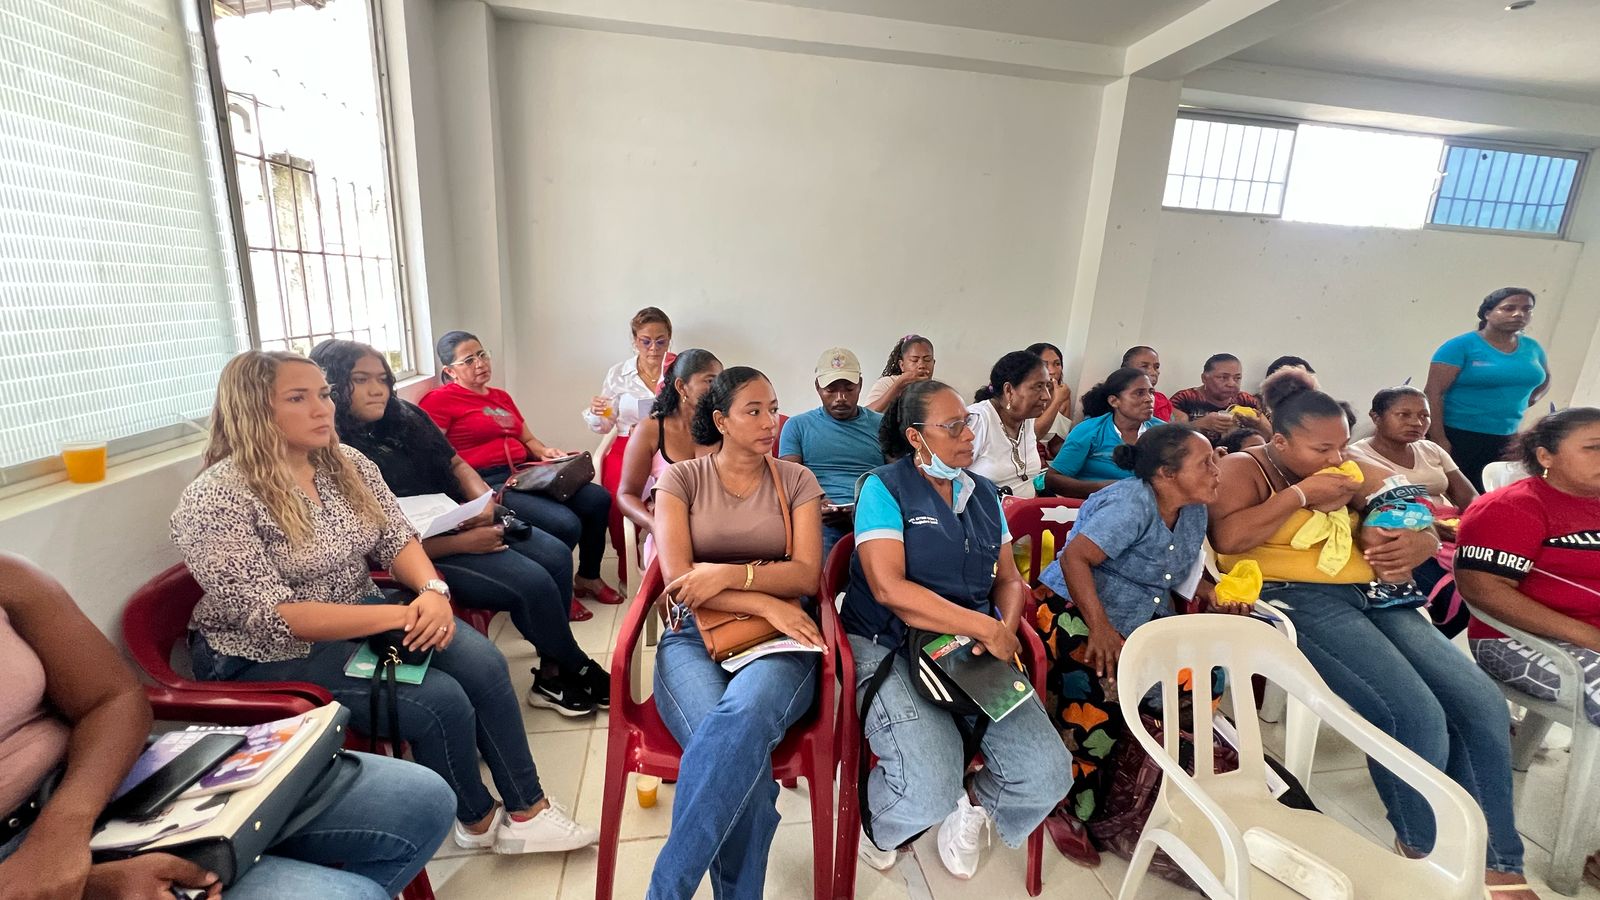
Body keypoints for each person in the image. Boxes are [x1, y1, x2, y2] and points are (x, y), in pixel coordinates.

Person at [173, 351, 598, 856]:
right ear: (253, 409)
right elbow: (277, 616)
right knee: (439, 699)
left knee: (482, 661)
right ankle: (477, 819)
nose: (322, 409)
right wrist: (402, 613)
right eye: (298, 398)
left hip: (362, 614)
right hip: (265, 653)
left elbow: (396, 538)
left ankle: (529, 812)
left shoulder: (346, 464)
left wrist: (433, 592)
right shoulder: (217, 498)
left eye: (323, 394)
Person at [1207, 370, 1534, 897]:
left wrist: (1421, 541)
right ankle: (1422, 845)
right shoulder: (1244, 468)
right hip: (1295, 597)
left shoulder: (1348, 467)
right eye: (1321, 449)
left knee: (1479, 701)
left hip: (1375, 591)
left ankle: (1498, 858)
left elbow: (1411, 508)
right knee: (1414, 712)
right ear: (1281, 442)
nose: (1337, 458)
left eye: (1341, 445)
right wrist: (1302, 495)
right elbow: (1228, 537)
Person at [0, 553, 455, 900]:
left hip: (95, 777)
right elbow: (277, 615)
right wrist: (87, 883)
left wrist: (64, 825)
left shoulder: (11, 575)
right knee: (350, 895)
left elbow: (114, 698)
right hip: (14, 852)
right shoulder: (215, 500)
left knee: (422, 799)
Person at [843, 379, 1071, 880]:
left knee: (1047, 774)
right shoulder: (884, 488)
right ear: (915, 437)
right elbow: (888, 588)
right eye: (952, 427)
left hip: (967, 647)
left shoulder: (984, 493)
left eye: (967, 422)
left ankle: (972, 805)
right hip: (888, 642)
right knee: (926, 787)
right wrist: (984, 628)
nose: (968, 434)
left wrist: (1003, 629)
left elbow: (1008, 579)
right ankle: (881, 829)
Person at [311, 339, 609, 715]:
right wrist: (465, 542)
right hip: (422, 551)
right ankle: (574, 664)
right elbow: (375, 546)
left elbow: (455, 463)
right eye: (360, 380)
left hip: (456, 518)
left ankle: (553, 672)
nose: (377, 389)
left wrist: (484, 503)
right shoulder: (332, 449)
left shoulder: (404, 415)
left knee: (555, 554)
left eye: (382, 378)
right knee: (532, 581)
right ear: (333, 385)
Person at [645, 367, 826, 899]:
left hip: (782, 638)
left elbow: (806, 575)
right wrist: (762, 597)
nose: (771, 421)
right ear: (721, 420)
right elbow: (680, 582)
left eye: (773, 408)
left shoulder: (797, 480)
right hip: (693, 636)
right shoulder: (681, 479)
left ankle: (664, 892)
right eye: (754, 411)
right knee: (738, 764)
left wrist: (725, 576)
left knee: (739, 723)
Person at [1031, 425, 1237, 866]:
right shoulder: (1131, 504)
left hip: (1143, 616)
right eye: (1205, 463)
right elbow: (1075, 558)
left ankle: (1142, 779)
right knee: (1103, 691)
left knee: (1203, 680)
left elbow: (1173, 571)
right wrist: (1101, 628)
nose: (1217, 470)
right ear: (1166, 473)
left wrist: (1215, 592)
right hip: (1076, 609)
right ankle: (1069, 805)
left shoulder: (1193, 509)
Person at [1457, 408, 1600, 891]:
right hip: (1513, 641)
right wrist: (1589, 638)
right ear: (1546, 456)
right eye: (1593, 448)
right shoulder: (1512, 507)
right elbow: (1484, 590)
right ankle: (1580, 855)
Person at [421, 330, 621, 607]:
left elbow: (527, 439)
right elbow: (434, 455)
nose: (480, 363)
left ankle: (588, 576)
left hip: (523, 473)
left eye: (482, 355)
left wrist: (545, 452)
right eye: (468, 360)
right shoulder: (439, 401)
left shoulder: (501, 397)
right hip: (487, 483)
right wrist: (469, 492)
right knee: (565, 523)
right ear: (449, 371)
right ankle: (556, 593)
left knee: (597, 498)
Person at [1426, 287, 1551, 492]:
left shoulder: (1532, 347)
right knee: (1457, 494)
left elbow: (1545, 379)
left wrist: (1530, 399)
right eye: (1509, 308)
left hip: (1507, 437)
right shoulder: (1460, 346)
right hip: (1459, 435)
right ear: (1487, 313)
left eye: (1526, 309)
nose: (1518, 314)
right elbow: (1433, 393)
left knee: (1492, 493)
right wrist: (1439, 439)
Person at [585, 307, 675, 585]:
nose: (653, 348)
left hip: (670, 444)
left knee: (678, 497)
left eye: (660, 341)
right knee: (617, 500)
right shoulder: (619, 374)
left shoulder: (678, 369)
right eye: (646, 341)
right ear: (635, 341)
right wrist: (599, 412)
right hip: (627, 445)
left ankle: (673, 562)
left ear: (669, 339)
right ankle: (629, 567)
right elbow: (606, 423)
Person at [615, 348, 723, 569]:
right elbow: (626, 494)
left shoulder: (723, 426)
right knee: (684, 582)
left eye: (721, 381)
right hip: (671, 531)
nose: (719, 390)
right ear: (682, 387)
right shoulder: (651, 430)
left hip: (719, 530)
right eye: (710, 381)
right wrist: (654, 524)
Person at [778, 347, 884, 560]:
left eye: (849, 389)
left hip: (875, 515)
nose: (841, 398)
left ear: (860, 384)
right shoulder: (798, 426)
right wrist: (814, 503)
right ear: (817, 387)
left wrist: (867, 507)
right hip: (819, 519)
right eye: (831, 390)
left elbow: (898, 475)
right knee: (819, 558)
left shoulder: (881, 425)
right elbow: (789, 479)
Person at [1044, 367, 1164, 499]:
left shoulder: (1164, 433)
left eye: (1151, 392)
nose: (1149, 399)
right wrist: (1101, 488)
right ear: (1114, 401)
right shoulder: (1090, 430)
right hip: (1093, 504)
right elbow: (1053, 479)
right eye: (1139, 393)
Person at [967, 350, 1051, 500]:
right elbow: (948, 479)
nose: (1047, 396)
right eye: (1038, 386)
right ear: (1009, 390)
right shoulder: (977, 420)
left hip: (1024, 509)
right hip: (986, 512)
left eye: (1047, 386)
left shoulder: (1027, 418)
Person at [1169, 353, 1263, 432]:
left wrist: (1258, 425)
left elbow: (1269, 436)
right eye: (1223, 377)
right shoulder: (1184, 399)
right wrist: (1200, 424)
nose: (1231, 384)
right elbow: (1172, 435)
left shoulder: (1246, 401)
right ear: (1204, 378)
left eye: (1237, 378)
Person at [862, 334, 935, 413]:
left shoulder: (937, 389)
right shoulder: (888, 383)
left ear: (933, 363)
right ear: (902, 365)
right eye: (914, 360)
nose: (921, 365)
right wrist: (897, 387)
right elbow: (866, 416)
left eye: (927, 359)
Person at [1025, 341, 1075, 457]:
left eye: (1057, 364)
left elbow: (1056, 444)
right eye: (1045, 365)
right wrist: (1057, 401)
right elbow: (1031, 436)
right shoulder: (1024, 394)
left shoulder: (1063, 394)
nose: (1052, 371)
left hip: (1044, 458)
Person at [1121, 346, 1173, 422]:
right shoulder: (1119, 400)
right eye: (1144, 366)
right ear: (1126, 370)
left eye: (1156, 367)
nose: (1153, 372)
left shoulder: (1162, 400)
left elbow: (1169, 427)